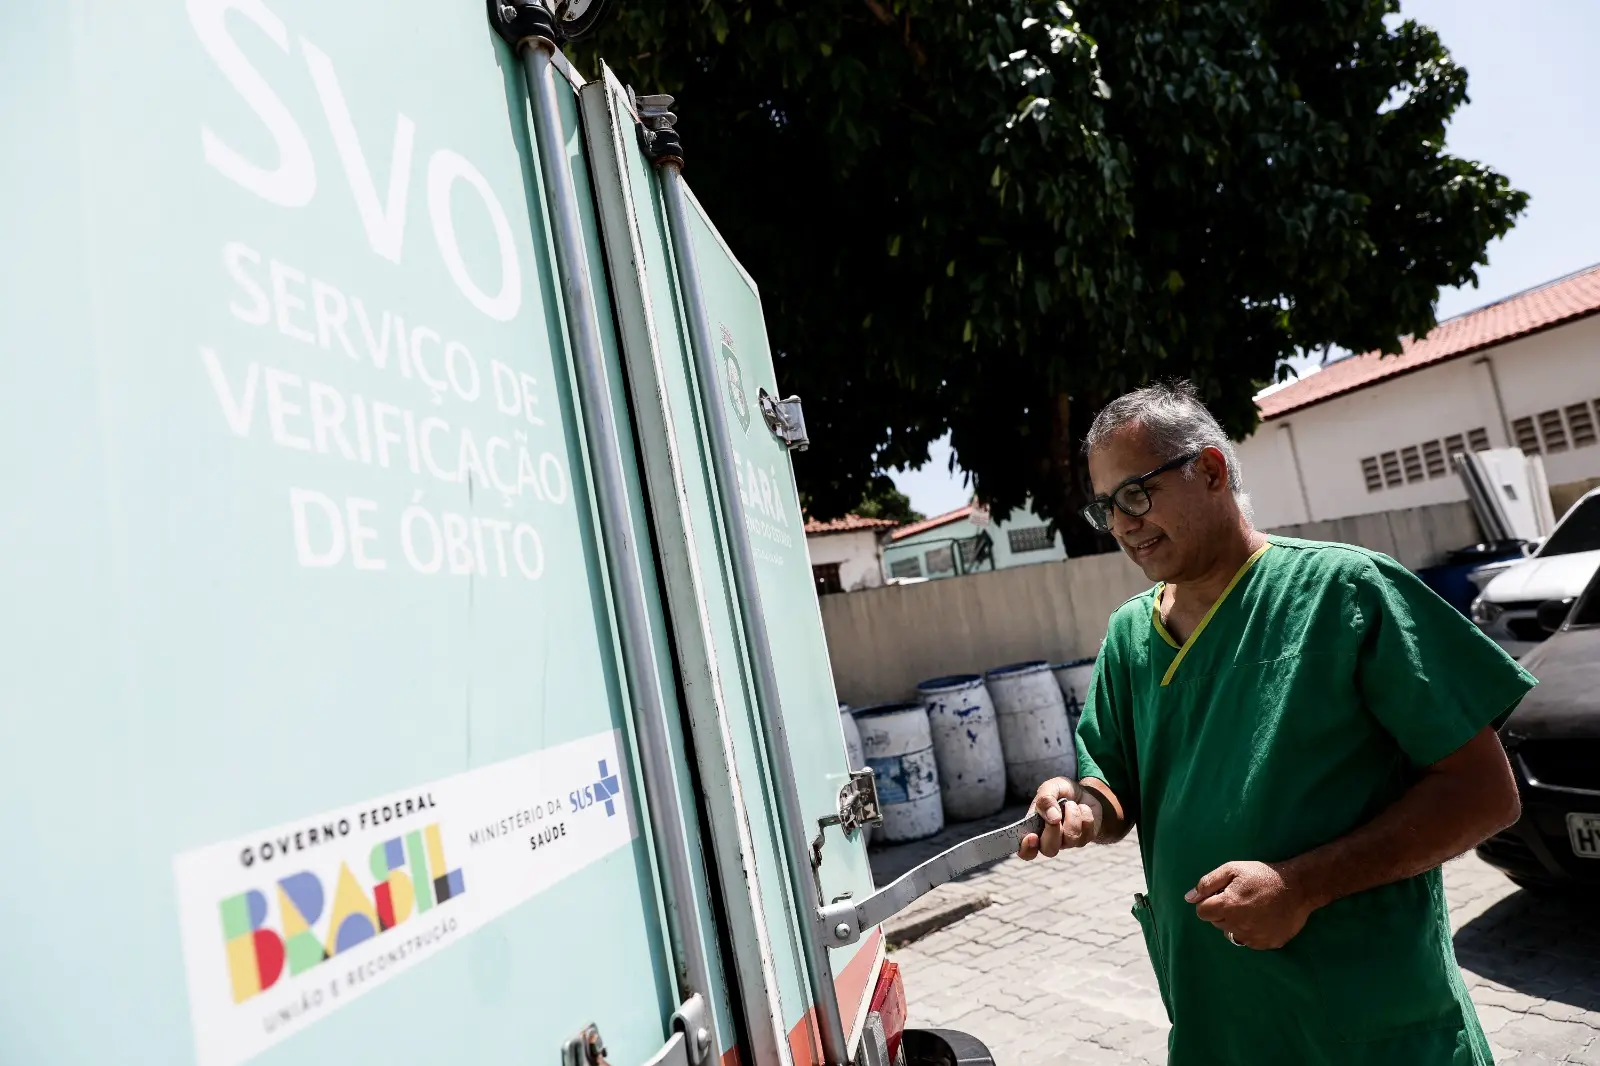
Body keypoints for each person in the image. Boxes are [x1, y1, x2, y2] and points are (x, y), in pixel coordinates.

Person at [1018, 381, 1534, 1065]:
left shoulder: (1344, 594)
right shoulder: (1128, 639)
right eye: (1105, 507)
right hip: (1220, 1028)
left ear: (1210, 470)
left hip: (1370, 1030)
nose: (1122, 524)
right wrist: (1078, 804)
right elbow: (1112, 790)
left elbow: (1484, 794)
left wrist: (1303, 886)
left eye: (1136, 495)